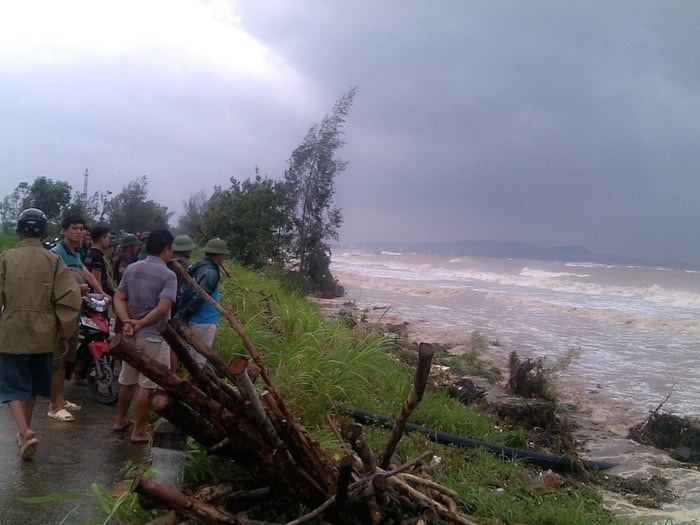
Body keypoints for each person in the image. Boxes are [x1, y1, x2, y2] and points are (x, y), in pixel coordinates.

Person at [0, 208, 81, 459]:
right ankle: (25, 431)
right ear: (45, 232)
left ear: (19, 231)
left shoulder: (5, 258)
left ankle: (24, 431)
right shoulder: (53, 260)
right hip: (44, 334)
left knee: (12, 386)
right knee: (32, 386)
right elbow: (69, 298)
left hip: (11, 331)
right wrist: (65, 333)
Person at [113, 229, 177, 443]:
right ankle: (139, 429)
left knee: (127, 381)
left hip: (131, 336)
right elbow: (163, 307)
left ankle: (120, 419)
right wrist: (140, 322)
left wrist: (128, 321)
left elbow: (119, 297)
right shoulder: (169, 275)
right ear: (166, 249)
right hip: (153, 336)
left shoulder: (132, 268)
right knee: (147, 384)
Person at [49, 214, 110, 421]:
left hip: (74, 312)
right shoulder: (56, 253)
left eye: (81, 228)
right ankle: (53, 405)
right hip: (60, 314)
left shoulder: (76, 253)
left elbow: (88, 274)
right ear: (64, 231)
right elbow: (52, 285)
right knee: (59, 357)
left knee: (68, 355)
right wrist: (78, 288)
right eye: (74, 228)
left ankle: (61, 398)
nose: (79, 231)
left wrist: (101, 292)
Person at [176, 238, 229, 365]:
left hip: (197, 319)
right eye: (223, 255)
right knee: (198, 361)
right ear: (219, 254)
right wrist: (190, 311)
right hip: (203, 321)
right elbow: (201, 295)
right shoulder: (210, 272)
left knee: (192, 357)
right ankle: (196, 384)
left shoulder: (200, 265)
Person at [84, 225, 116, 298]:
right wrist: (102, 296)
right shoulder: (97, 256)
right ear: (103, 239)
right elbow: (96, 279)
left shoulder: (90, 253)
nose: (109, 241)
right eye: (108, 238)